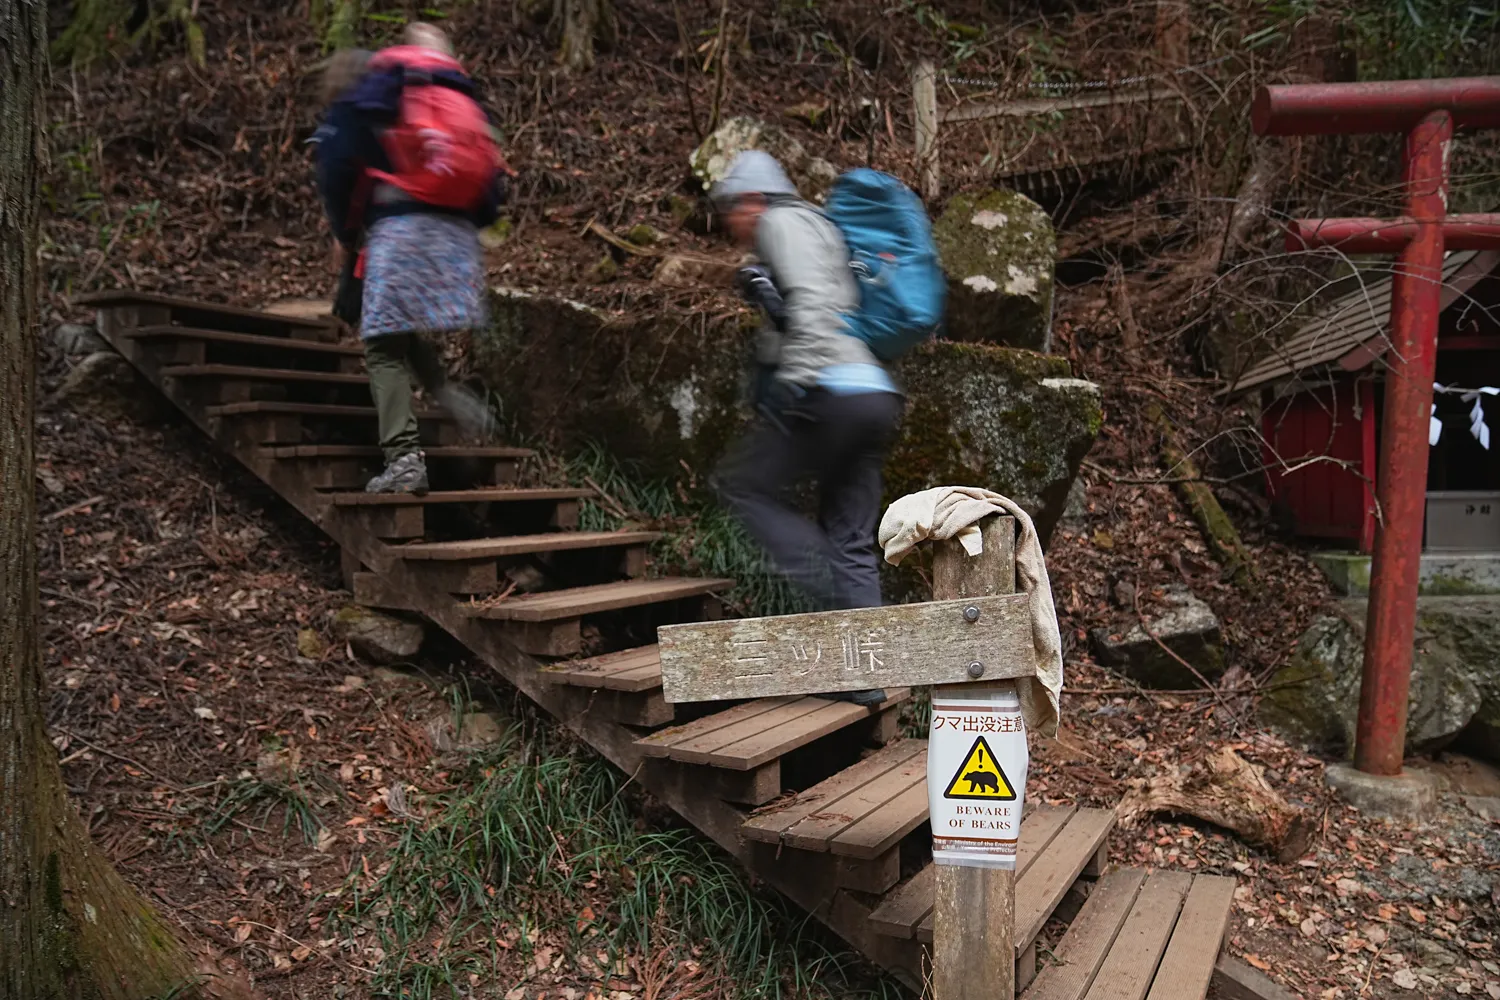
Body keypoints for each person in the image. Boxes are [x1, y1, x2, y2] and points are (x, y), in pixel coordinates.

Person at [710, 151, 904, 706]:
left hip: (831, 390)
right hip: (874, 393)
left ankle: (809, 564)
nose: (735, 226)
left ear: (753, 199)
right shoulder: (825, 230)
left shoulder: (780, 222)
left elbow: (813, 307)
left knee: (743, 485)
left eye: (732, 212)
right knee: (852, 535)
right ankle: (866, 678)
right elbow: (829, 304)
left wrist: (790, 388)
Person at [314, 24, 503, 494]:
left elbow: (336, 165)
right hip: (455, 234)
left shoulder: (375, 92)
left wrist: (343, 232)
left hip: (401, 227)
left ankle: (403, 458)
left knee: (380, 345)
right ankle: (448, 394)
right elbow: (492, 185)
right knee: (395, 322)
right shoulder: (457, 97)